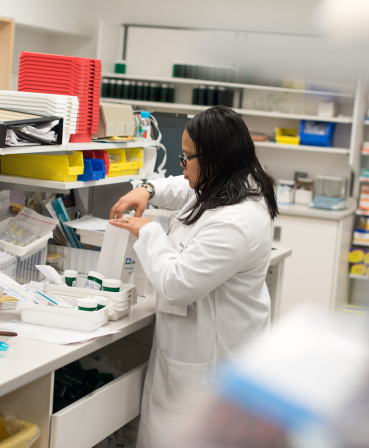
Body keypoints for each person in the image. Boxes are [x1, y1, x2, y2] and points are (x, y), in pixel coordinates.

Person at [109, 105, 279, 447]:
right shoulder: (229, 185)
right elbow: (186, 189)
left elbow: (177, 284)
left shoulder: (236, 222)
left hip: (212, 366)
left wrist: (149, 232)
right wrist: (148, 189)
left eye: (186, 158)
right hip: (193, 351)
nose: (181, 165)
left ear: (215, 159)